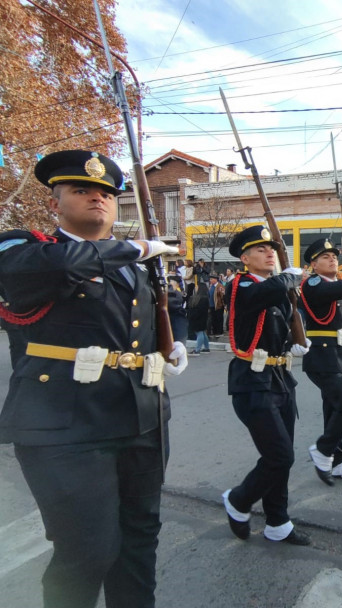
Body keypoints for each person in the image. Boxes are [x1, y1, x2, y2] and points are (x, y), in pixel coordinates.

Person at [0, 149, 187, 608]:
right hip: (65, 425)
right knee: (87, 551)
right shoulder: (23, 247)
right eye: (81, 190)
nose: (96, 199)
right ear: (54, 203)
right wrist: (138, 247)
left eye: (105, 192)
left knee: (140, 540)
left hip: (142, 415)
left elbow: (150, 317)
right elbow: (63, 267)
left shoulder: (138, 266)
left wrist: (170, 345)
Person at [220, 226, 311, 546]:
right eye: (260, 250)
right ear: (244, 258)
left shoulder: (278, 287)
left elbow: (278, 323)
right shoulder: (240, 284)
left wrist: (295, 342)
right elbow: (265, 294)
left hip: (281, 378)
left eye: (271, 248)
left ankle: (278, 520)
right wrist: (290, 276)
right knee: (280, 455)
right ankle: (239, 500)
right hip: (252, 381)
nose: (269, 252)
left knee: (281, 456)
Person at [300, 237, 342, 485]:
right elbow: (341, 289)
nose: (332, 260)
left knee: (334, 410)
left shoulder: (338, 286)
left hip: (339, 356)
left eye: (335, 257)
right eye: (326, 257)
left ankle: (339, 463)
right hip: (322, 357)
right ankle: (323, 449)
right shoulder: (314, 284)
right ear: (314, 266)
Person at [188, 283, 210, 355]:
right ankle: (207, 347)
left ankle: (197, 349)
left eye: (197, 287)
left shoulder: (200, 298)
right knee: (203, 332)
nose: (196, 288)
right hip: (202, 317)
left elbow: (198, 309)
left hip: (198, 317)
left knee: (199, 332)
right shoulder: (205, 297)